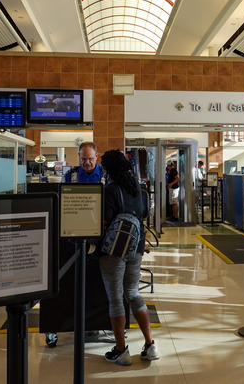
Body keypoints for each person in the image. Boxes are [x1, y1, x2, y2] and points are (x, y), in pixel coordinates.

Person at [99, 149, 159, 366]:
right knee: (133, 293)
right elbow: (142, 218)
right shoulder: (139, 191)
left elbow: (104, 223)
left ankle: (122, 350)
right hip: (136, 248)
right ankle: (150, 345)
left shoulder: (111, 190)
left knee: (116, 299)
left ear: (109, 169)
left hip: (114, 252)